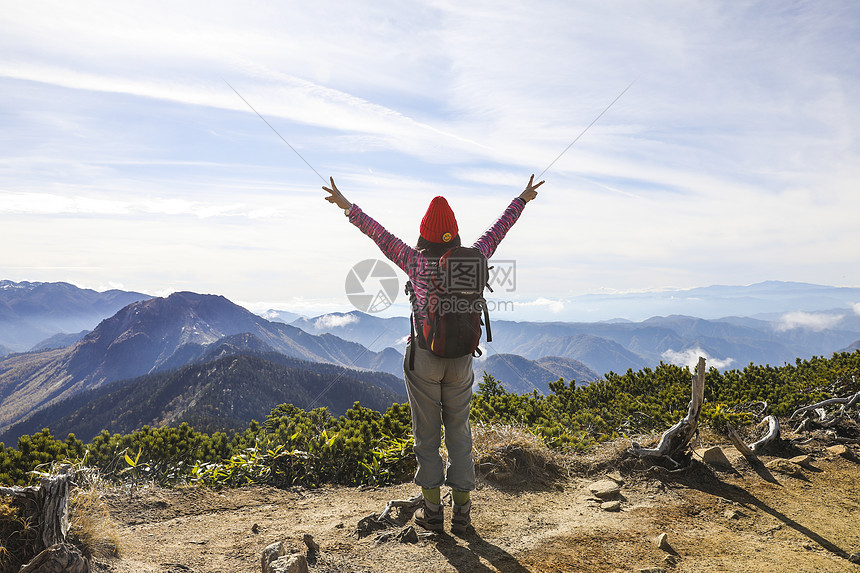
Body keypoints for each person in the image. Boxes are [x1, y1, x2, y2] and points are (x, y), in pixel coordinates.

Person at [323, 175, 543, 533]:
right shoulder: (474, 257)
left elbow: (379, 234)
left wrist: (348, 206)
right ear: (454, 232)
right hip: (462, 360)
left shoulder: (414, 261)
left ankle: (432, 513)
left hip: (423, 360)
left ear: (423, 231)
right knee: (459, 433)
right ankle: (463, 516)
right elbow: (498, 230)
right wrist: (521, 199)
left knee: (426, 436)